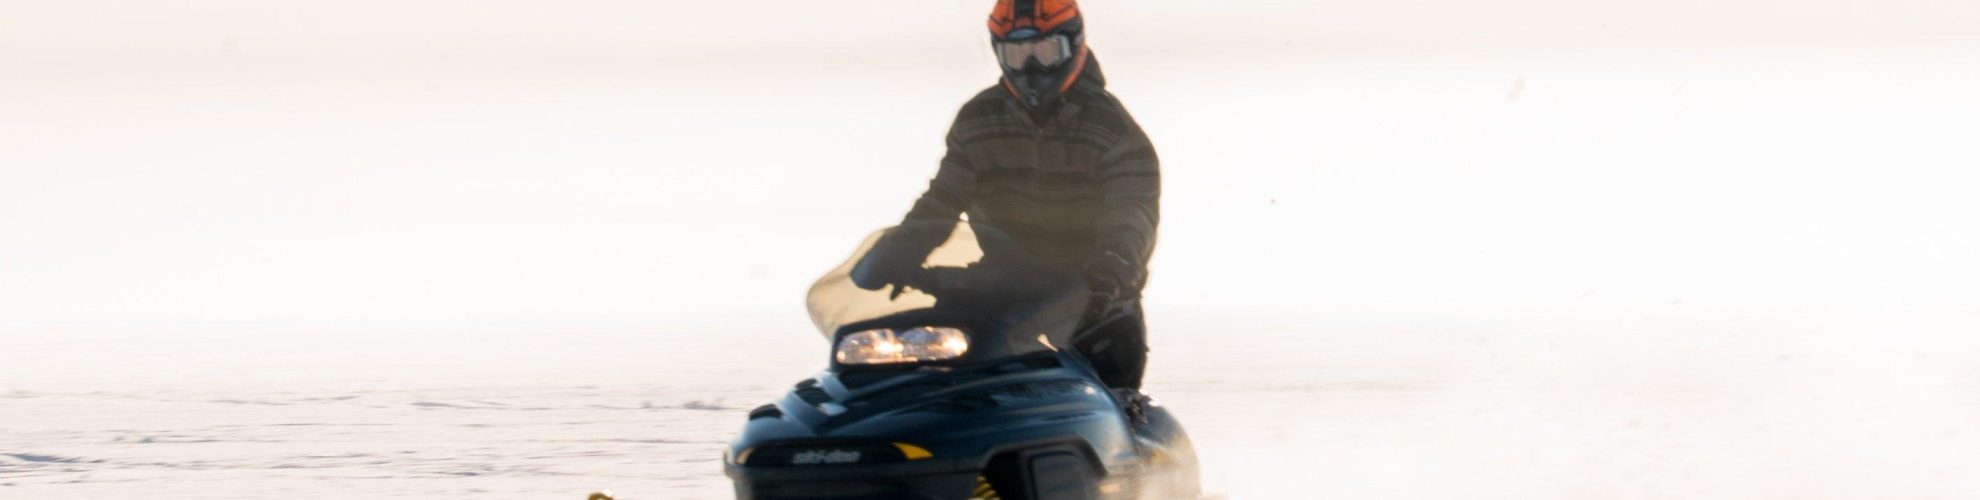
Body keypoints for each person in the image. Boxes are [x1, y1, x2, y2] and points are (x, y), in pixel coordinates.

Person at [897, 0, 1159, 391]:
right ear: (999, 54)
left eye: (1044, 52)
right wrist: (899, 252)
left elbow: (1132, 212)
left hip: (1094, 305)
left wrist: (1110, 267)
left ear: (1073, 47)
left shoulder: (1114, 131)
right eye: (1017, 55)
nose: (1031, 68)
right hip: (1003, 296)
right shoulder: (977, 119)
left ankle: (1124, 447)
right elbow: (942, 199)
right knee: (933, 381)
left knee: (1104, 406)